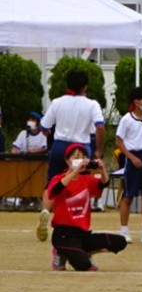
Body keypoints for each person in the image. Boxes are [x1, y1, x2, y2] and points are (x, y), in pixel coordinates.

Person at [38, 70, 105, 242]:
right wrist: (98, 149)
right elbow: (100, 127)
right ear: (85, 86)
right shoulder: (92, 104)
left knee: (53, 182)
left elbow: (44, 126)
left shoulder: (57, 102)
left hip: (60, 145)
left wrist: (49, 133)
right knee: (81, 184)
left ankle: (46, 210)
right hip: (81, 147)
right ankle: (77, 218)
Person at [47, 143, 126, 271]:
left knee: (119, 241)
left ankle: (83, 252)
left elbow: (103, 185)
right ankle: (61, 253)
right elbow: (56, 190)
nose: (78, 159)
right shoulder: (58, 178)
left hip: (82, 234)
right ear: (67, 161)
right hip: (63, 235)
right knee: (85, 266)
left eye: (81, 156)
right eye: (75, 156)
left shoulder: (86, 180)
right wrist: (75, 172)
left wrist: (102, 171)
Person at [114, 87, 142, 244]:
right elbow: (118, 140)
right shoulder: (127, 119)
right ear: (136, 102)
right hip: (133, 157)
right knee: (128, 195)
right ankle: (124, 230)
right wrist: (131, 157)